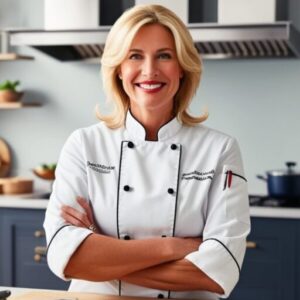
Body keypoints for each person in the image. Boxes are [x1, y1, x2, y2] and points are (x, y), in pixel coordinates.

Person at [44, 4, 250, 300]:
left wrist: (100, 257)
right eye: (135, 56)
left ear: (182, 67)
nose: (149, 70)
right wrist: (172, 247)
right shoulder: (84, 145)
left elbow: (218, 272)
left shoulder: (220, 150)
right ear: (118, 69)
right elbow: (64, 255)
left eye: (164, 55)